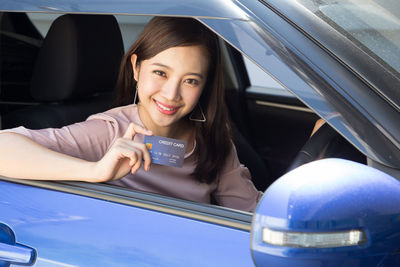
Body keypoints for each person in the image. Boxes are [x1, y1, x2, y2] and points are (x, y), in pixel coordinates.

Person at [0, 16, 262, 212]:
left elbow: (251, 212)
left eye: (190, 81)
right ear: (136, 68)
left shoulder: (213, 140)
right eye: (160, 73)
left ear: (204, 86)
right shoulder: (112, 131)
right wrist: (95, 171)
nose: (172, 94)